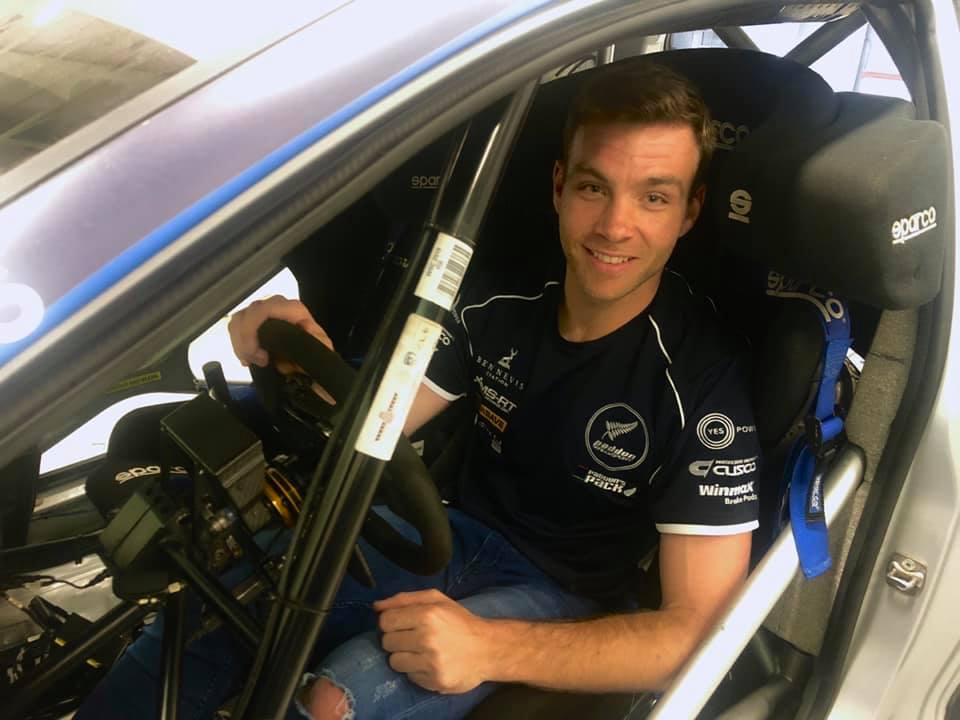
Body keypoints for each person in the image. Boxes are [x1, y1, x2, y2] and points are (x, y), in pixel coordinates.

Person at [77, 60, 760, 720]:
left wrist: (488, 647)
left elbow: (697, 634)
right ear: (559, 186)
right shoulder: (498, 303)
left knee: (335, 699)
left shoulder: (704, 384)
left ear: (690, 210)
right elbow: (378, 416)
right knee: (215, 605)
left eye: (654, 196)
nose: (614, 225)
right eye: (593, 187)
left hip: (566, 593)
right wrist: (298, 352)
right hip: (451, 532)